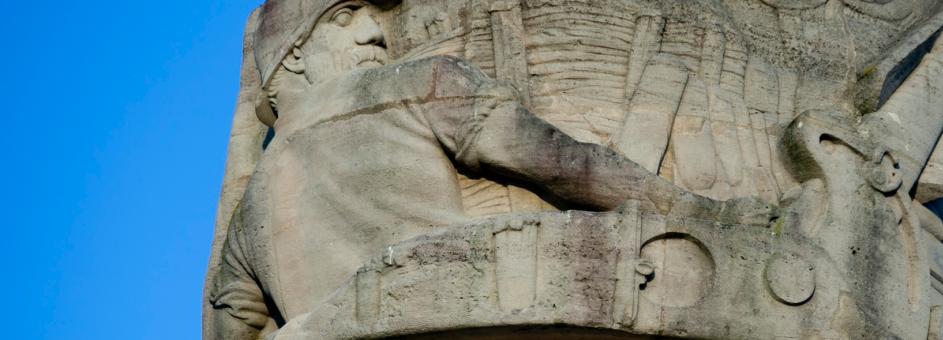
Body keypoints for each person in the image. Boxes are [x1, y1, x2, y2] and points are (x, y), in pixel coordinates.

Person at [206, 1, 772, 338]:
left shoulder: (249, 211)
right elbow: (565, 165)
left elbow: (233, 323)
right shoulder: (410, 85)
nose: (376, 31)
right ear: (295, 55)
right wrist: (706, 214)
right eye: (345, 17)